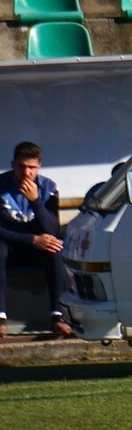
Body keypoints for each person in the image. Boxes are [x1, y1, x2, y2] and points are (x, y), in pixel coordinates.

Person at [0, 141, 74, 341]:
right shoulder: (2, 186)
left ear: (39, 166)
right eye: (22, 167)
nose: (26, 173)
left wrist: (36, 201)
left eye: (32, 168)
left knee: (56, 249)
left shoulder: (48, 187)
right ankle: (1, 317)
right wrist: (31, 239)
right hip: (11, 246)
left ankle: (58, 316)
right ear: (13, 164)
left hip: (36, 249)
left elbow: (51, 228)